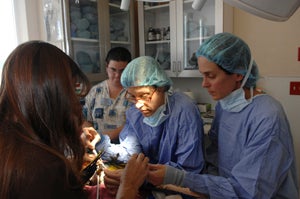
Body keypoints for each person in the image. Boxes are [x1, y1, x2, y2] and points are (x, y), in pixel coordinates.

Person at [146, 32, 299, 198]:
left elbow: (250, 192)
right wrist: (207, 186)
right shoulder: (224, 106)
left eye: (210, 76)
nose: (204, 84)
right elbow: (215, 159)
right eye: (202, 75)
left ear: (238, 74)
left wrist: (179, 177)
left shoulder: (268, 117)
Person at [0, 41, 149, 199]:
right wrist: (128, 188)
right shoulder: (40, 169)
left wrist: (78, 172)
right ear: (48, 97)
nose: (76, 107)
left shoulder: (13, 140)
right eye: (70, 91)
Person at [100, 56, 205, 198]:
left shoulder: (185, 110)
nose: (138, 104)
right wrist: (100, 142)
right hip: (150, 190)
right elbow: (130, 154)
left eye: (144, 95)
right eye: (132, 97)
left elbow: (188, 170)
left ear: (161, 87)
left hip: (181, 190)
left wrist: (138, 177)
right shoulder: (134, 113)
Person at [82, 47, 132, 144]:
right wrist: (91, 135)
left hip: (125, 147)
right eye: (113, 69)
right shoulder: (95, 91)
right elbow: (85, 120)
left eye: (122, 70)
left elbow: (133, 125)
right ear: (106, 66)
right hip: (95, 145)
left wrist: (103, 138)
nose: (117, 75)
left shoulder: (133, 93)